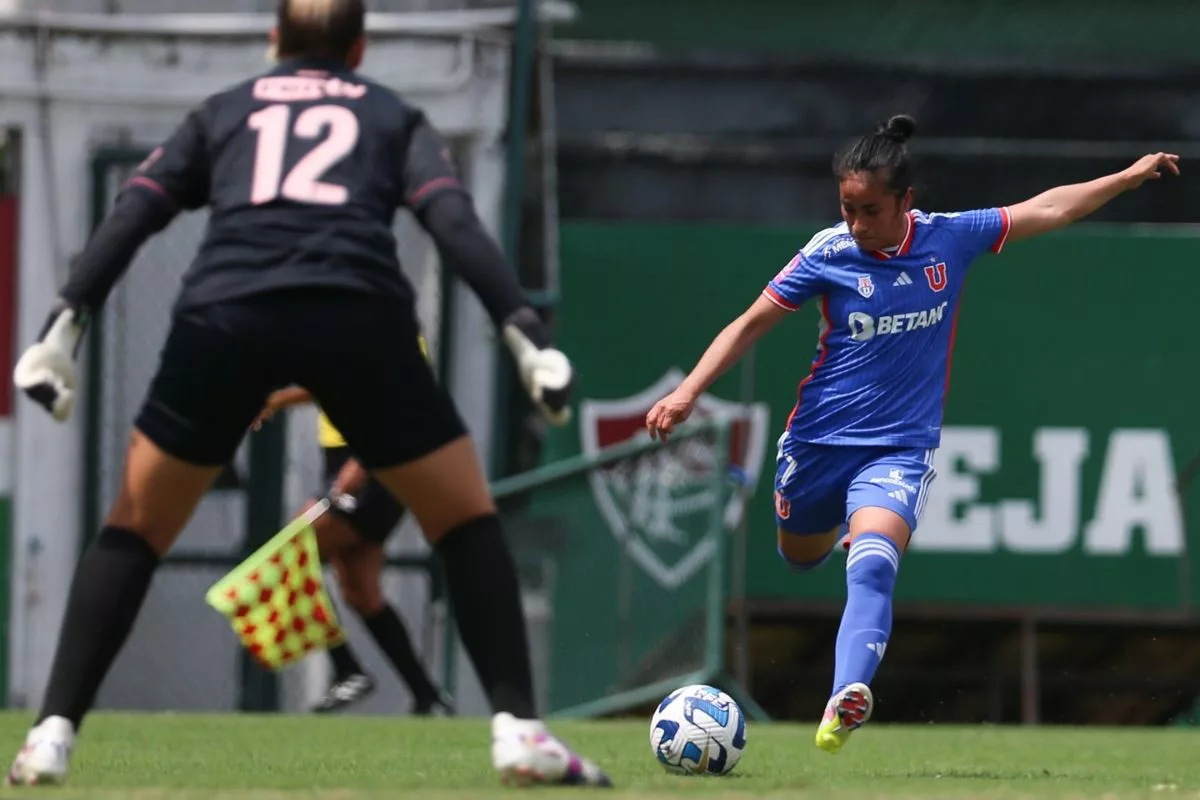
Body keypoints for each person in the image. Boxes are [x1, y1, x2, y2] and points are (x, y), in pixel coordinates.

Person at [8, 0, 609, 787]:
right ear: (357, 49)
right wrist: (522, 329)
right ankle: (519, 731)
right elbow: (451, 220)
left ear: (272, 42)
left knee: (134, 526)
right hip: (355, 311)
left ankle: (51, 734)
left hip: (225, 313)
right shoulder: (391, 115)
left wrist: (64, 322)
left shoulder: (223, 112)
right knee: (462, 518)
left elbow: (137, 210)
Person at [645, 114, 1179, 755]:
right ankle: (843, 535)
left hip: (900, 448)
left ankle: (846, 696)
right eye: (847, 208)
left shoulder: (950, 240)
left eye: (870, 210)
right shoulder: (828, 253)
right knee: (801, 554)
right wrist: (687, 392)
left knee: (872, 566)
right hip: (817, 445)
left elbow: (1048, 209)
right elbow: (749, 323)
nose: (856, 224)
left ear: (906, 202)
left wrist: (1124, 179)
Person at [254, 361, 455, 717]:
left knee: (288, 554)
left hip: (373, 466)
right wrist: (278, 400)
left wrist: (364, 461)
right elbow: (336, 380)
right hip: (344, 461)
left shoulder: (389, 322)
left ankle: (347, 669)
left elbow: (405, 397)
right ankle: (427, 696)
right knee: (360, 590)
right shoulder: (339, 321)